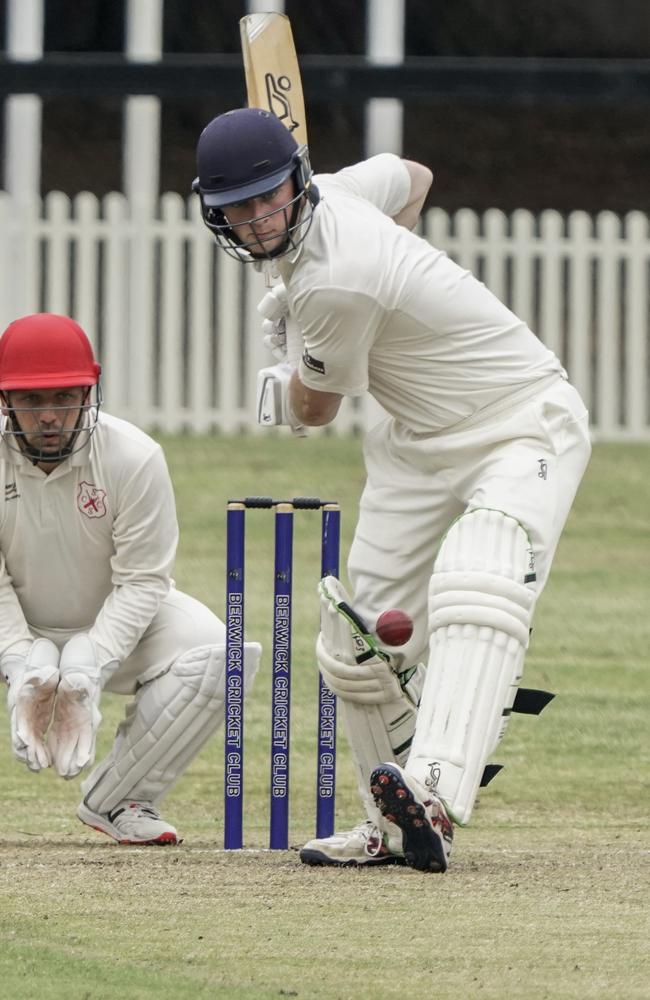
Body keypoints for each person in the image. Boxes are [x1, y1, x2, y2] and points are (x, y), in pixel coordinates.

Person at [193, 108, 592, 872]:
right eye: (237, 208)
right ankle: (394, 825)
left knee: (480, 573)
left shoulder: (333, 284)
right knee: (353, 635)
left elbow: (315, 409)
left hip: (518, 420)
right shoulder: (342, 190)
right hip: (415, 442)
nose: (256, 219)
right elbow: (414, 179)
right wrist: (387, 268)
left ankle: (435, 789)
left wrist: (283, 374)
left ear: (296, 182)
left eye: (266, 197)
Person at [0, 313, 260, 845]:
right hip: (16, 622)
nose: (49, 416)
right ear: (6, 401)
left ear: (89, 392)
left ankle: (121, 798)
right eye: (31, 401)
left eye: (64, 397)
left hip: (112, 621)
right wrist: (22, 662)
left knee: (222, 653)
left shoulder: (134, 456)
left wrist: (87, 666)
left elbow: (143, 580)